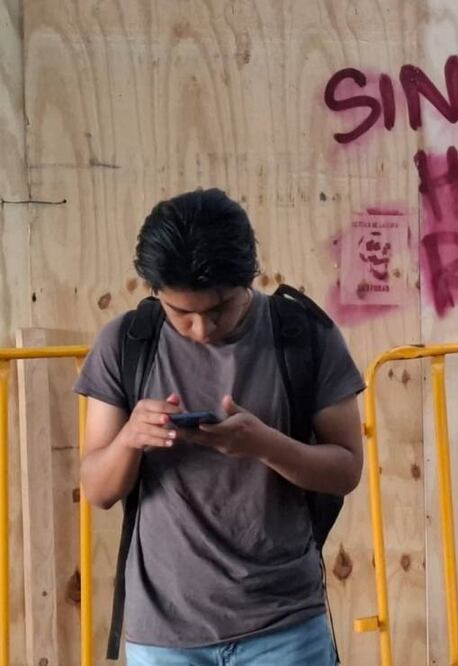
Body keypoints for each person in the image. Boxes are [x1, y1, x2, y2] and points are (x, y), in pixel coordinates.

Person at [74, 188, 366, 665]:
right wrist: (130, 439)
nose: (201, 330)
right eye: (181, 314)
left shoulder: (303, 335)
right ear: (155, 291)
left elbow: (347, 469)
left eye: (219, 310)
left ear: (248, 278)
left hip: (285, 625)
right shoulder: (126, 343)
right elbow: (97, 490)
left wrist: (265, 445)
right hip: (164, 634)